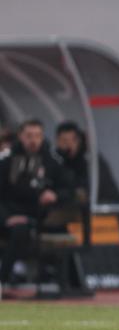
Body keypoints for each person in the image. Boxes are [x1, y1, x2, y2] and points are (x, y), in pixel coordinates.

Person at [0, 119, 74, 286]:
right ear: (20, 136)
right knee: (17, 228)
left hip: (36, 219)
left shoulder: (51, 161)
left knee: (21, 229)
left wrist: (54, 194)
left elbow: (69, 189)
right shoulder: (6, 161)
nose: (33, 140)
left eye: (38, 136)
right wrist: (5, 218)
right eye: (29, 136)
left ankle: (3, 279)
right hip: (6, 216)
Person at [55, 121, 119, 206]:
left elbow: (85, 191)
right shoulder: (61, 162)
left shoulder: (89, 161)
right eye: (64, 141)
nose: (69, 145)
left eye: (72, 140)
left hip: (104, 209)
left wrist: (59, 195)